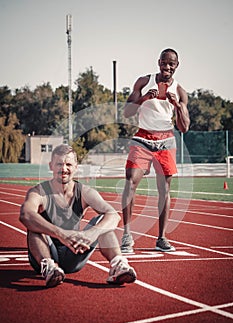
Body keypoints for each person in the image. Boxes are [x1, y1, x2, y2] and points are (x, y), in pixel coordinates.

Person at [20, 144, 136, 288]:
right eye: (59, 164)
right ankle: (50, 268)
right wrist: (61, 234)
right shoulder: (39, 192)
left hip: (74, 252)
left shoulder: (84, 192)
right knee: (34, 224)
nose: (63, 169)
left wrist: (90, 235)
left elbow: (114, 215)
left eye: (68, 164)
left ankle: (118, 265)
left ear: (75, 167)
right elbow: (26, 215)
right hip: (45, 252)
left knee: (103, 222)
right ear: (51, 166)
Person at [121, 48, 190, 254]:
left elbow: (184, 127)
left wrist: (177, 106)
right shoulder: (143, 81)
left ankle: (161, 238)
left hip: (166, 140)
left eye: (171, 64)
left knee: (164, 191)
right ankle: (126, 236)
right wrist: (143, 99)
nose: (167, 67)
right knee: (130, 182)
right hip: (143, 137)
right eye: (164, 63)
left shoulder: (180, 91)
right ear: (158, 62)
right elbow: (126, 112)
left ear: (177, 65)